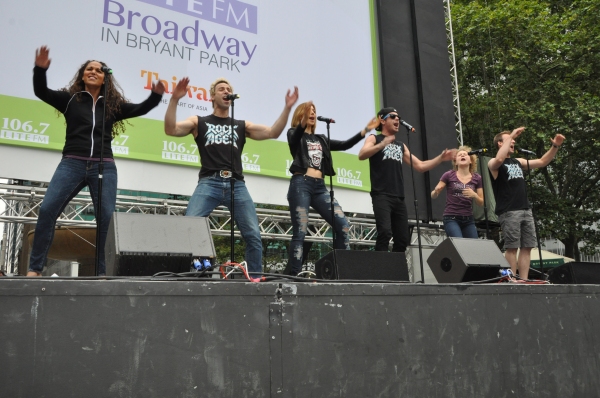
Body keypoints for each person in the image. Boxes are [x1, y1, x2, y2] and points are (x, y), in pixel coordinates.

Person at [27, 46, 165, 277]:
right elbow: (41, 91)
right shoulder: (70, 99)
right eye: (89, 69)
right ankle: (35, 268)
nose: (93, 72)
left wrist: (156, 95)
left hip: (104, 166)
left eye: (99, 70)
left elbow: (142, 108)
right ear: (82, 75)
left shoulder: (111, 105)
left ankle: (103, 273)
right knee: (48, 209)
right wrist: (40, 70)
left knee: (106, 220)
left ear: (104, 78)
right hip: (72, 163)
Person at [164, 77, 299, 276]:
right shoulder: (199, 121)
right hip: (209, 182)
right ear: (212, 96)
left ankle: (254, 280)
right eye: (221, 89)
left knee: (253, 234)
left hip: (237, 184)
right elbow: (171, 129)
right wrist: (175, 99)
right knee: (189, 227)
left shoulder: (241, 125)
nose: (226, 91)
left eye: (228, 89)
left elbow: (272, 132)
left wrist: (287, 108)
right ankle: (188, 276)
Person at [284, 101, 378, 276]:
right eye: (308, 111)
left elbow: (345, 144)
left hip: (320, 188)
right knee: (300, 231)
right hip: (301, 184)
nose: (312, 113)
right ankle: (295, 275)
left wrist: (365, 130)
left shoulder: (322, 139)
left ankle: (341, 272)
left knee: (342, 226)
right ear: (300, 115)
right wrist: (303, 121)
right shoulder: (293, 134)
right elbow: (296, 134)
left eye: (314, 111)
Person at [358, 107, 456, 252]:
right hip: (381, 195)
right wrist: (381, 145)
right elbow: (362, 154)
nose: (397, 119)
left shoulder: (401, 145)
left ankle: (396, 272)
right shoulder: (374, 138)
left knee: (403, 239)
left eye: (398, 117)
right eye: (393, 116)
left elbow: (420, 166)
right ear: (383, 120)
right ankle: (379, 271)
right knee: (384, 232)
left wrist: (440, 158)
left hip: (399, 197)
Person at [488, 127, 565, 280]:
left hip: (525, 209)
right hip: (509, 211)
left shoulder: (518, 161)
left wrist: (555, 146)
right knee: (512, 247)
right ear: (500, 143)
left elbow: (542, 162)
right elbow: (499, 159)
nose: (513, 141)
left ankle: (523, 280)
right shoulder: (493, 163)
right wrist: (510, 135)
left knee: (527, 246)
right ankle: (512, 279)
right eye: (509, 140)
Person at [431, 146, 484, 238]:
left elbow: (481, 202)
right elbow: (433, 196)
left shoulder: (477, 178)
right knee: (458, 243)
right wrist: (436, 191)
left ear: (471, 161)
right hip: (451, 217)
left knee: (473, 246)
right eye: (460, 155)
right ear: (455, 162)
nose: (462, 155)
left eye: (465, 154)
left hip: (468, 219)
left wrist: (474, 195)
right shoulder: (448, 175)